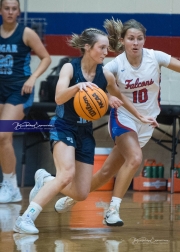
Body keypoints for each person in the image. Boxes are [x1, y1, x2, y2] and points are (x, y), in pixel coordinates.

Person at [13, 22, 158, 234]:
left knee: (81, 193)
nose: (106, 52)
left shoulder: (105, 75)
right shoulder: (70, 68)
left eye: (107, 48)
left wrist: (138, 114)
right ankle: (25, 218)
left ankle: (45, 179)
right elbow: (59, 97)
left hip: (85, 133)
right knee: (66, 174)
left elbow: (120, 96)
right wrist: (77, 87)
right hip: (64, 126)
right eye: (102, 48)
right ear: (88, 47)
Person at [51, 18, 180, 226]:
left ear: (145, 40)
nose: (135, 43)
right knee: (135, 158)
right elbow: (97, 87)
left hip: (147, 121)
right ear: (123, 41)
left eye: (139, 39)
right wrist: (106, 98)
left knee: (105, 172)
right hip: (124, 118)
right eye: (131, 39)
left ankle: (73, 196)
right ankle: (112, 209)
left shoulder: (155, 57)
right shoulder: (114, 65)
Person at [0, 0, 51, 203]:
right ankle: (9, 185)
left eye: (14, 8)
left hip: (19, 90)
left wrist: (33, 78)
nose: (10, 12)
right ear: (1, 10)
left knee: (3, 135)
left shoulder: (26, 33)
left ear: (19, 12)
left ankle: (10, 186)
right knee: (4, 140)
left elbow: (46, 58)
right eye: (7, 8)